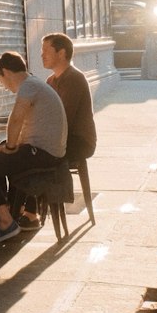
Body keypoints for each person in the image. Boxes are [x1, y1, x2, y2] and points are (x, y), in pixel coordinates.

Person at [0, 51, 67, 243]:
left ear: (5, 72)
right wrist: (3, 148)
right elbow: (26, 129)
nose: (3, 86)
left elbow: (16, 119)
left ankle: (6, 221)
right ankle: (3, 212)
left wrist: (11, 147)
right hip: (46, 151)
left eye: (0, 80)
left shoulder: (28, 86)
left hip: (43, 154)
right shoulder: (35, 83)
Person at [33, 31, 97, 225]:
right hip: (58, 138)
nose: (42, 55)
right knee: (17, 149)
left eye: (46, 50)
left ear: (61, 53)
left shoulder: (75, 79)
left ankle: (29, 212)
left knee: (31, 154)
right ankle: (16, 210)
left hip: (78, 141)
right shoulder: (50, 82)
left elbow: (62, 119)